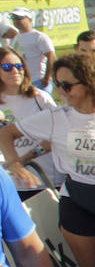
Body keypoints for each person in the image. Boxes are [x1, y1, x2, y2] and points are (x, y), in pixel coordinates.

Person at [0, 52, 95, 267]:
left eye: (67, 86)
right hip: (76, 199)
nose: (61, 93)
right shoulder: (56, 116)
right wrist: (16, 163)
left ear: (89, 83)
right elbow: (6, 133)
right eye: (58, 85)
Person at [0, 45, 60, 194]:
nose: (15, 71)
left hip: (47, 179)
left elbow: (58, 135)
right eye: (7, 67)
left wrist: (26, 158)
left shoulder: (40, 98)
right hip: (13, 185)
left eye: (19, 66)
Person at [7, 8, 55, 90]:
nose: (16, 20)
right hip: (23, 81)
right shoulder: (15, 38)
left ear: (30, 19)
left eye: (19, 18)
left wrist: (46, 78)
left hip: (38, 80)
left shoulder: (39, 36)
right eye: (14, 18)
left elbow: (51, 57)